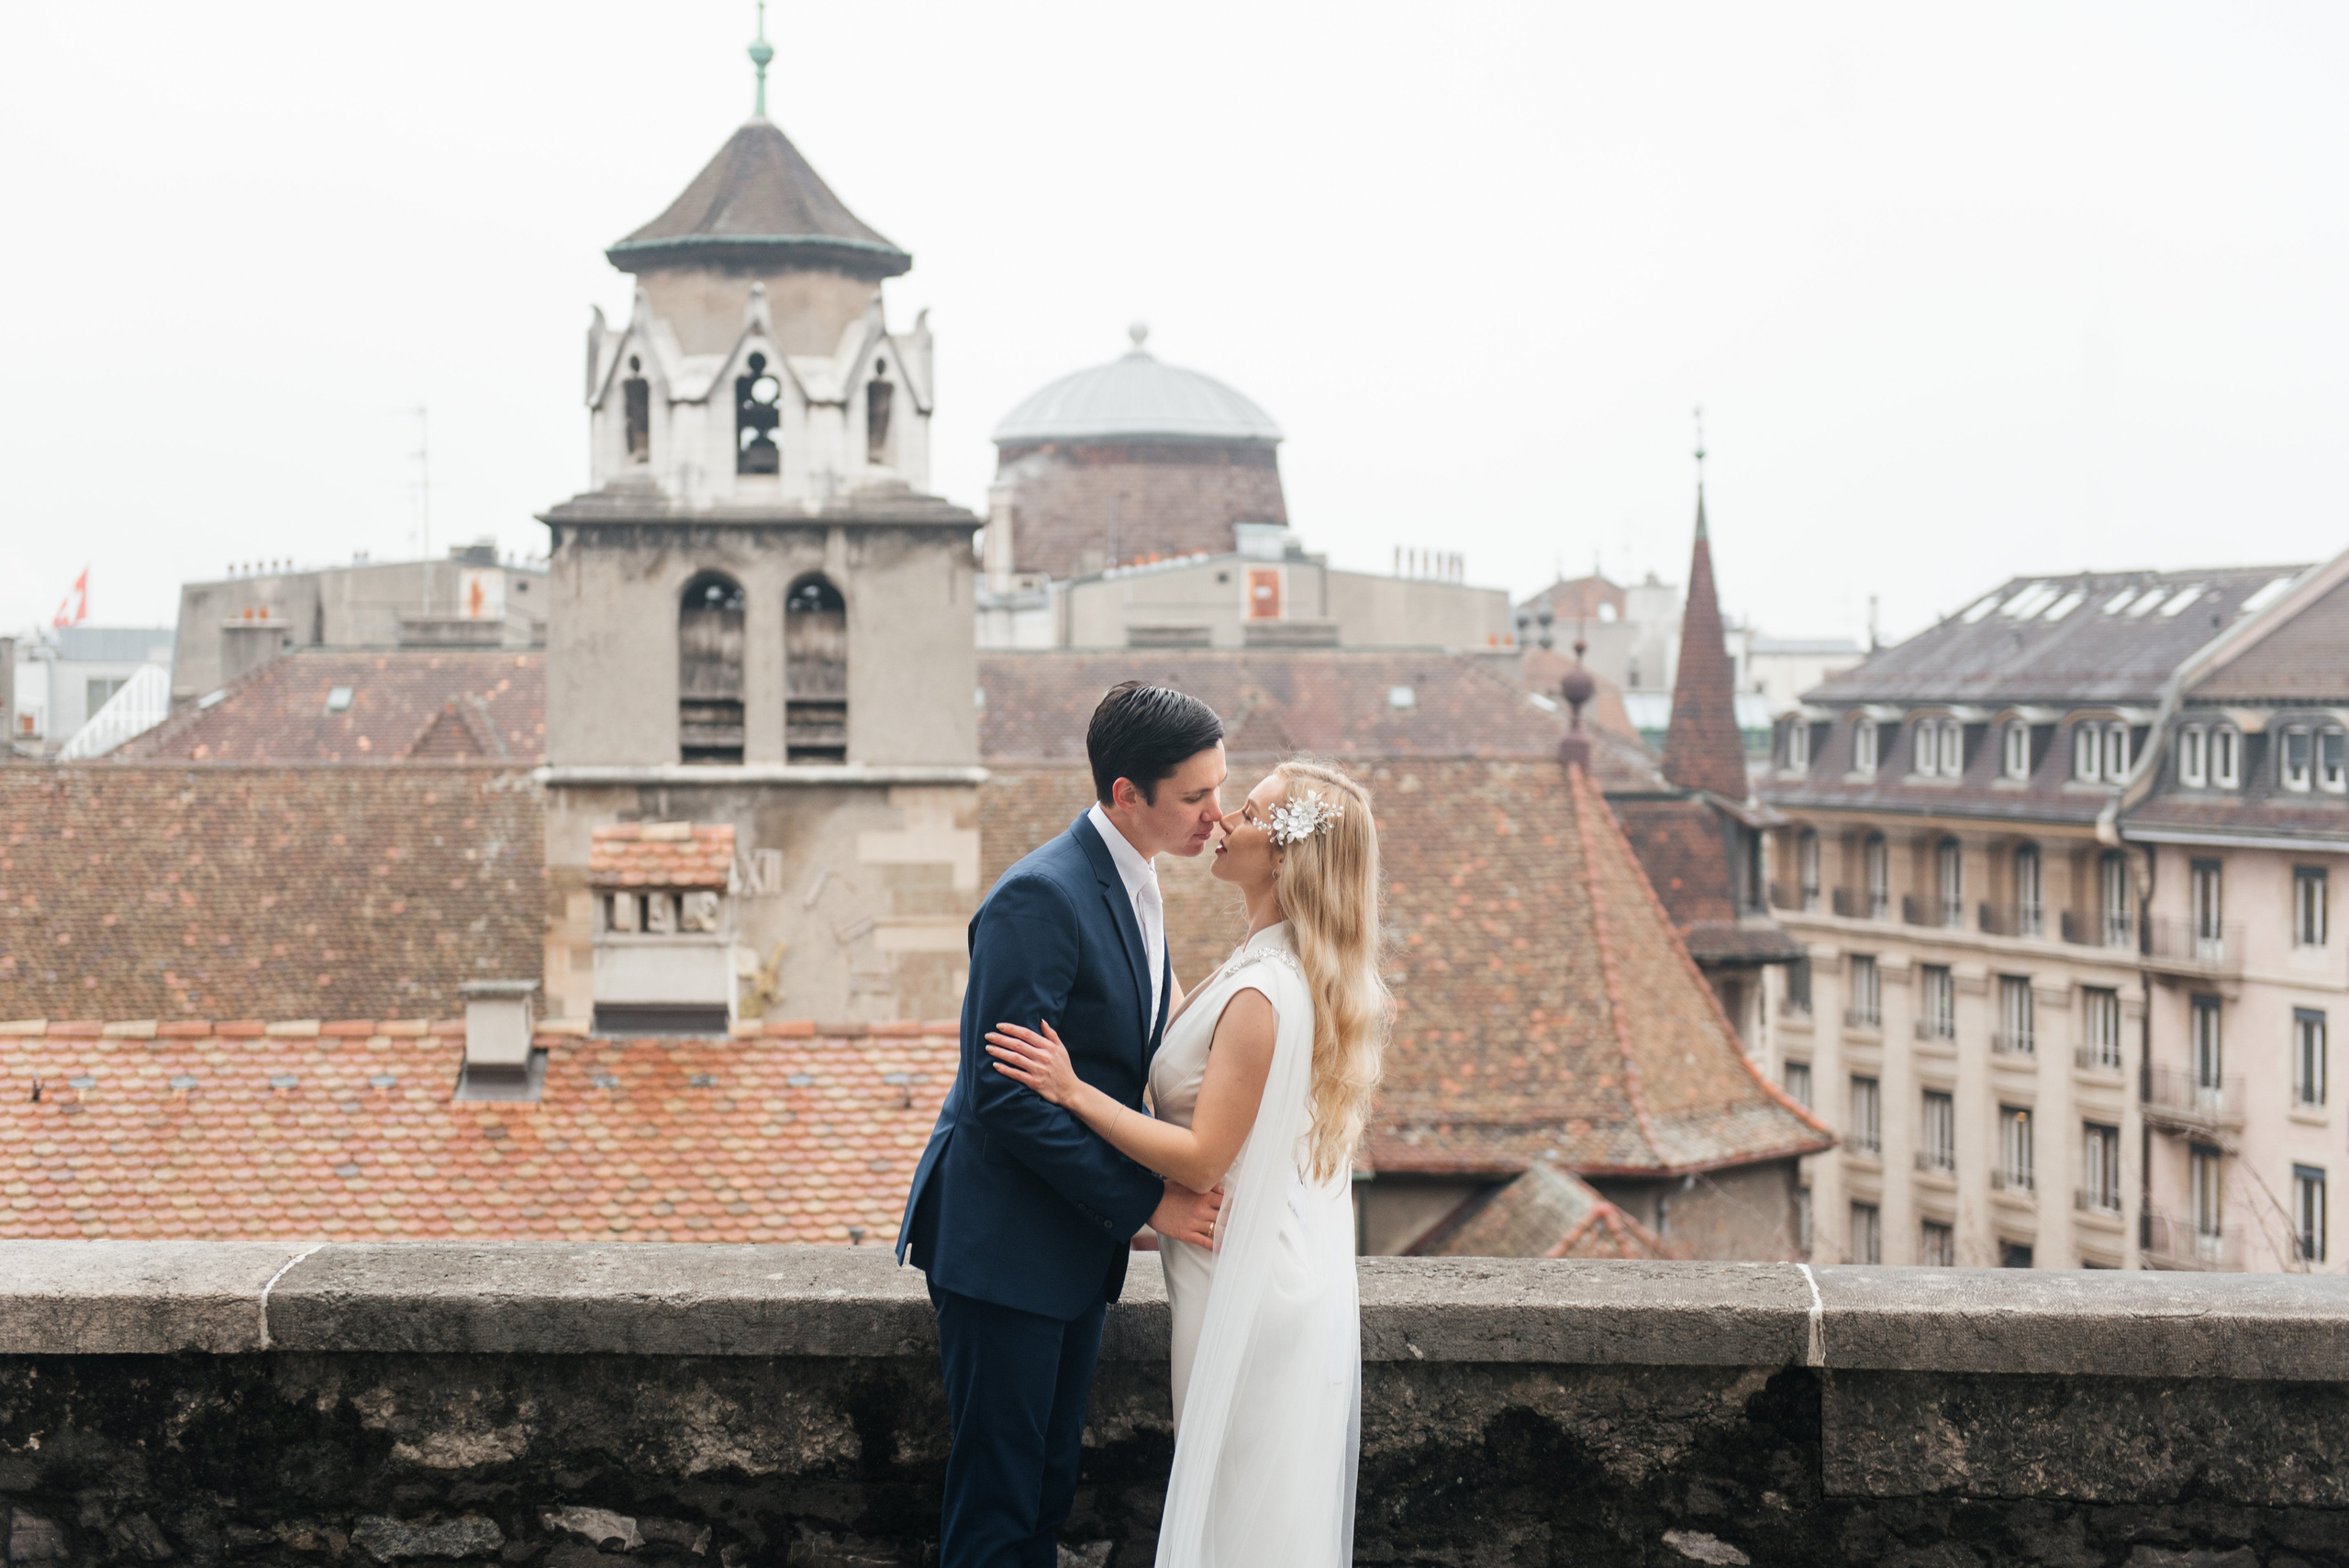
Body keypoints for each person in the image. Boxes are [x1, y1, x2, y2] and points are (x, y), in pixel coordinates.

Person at [986, 760, 1388, 1568]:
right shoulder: (1259, 962)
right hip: (1230, 1263)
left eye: (1248, 812)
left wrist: (1073, 1091)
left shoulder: (1264, 991)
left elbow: (1204, 1157)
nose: (1223, 819)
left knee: (1238, 1511)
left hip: (1241, 1276)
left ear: (1286, 856)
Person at [897, 681, 1230, 1568]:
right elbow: (1003, 1096)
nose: (1217, 815)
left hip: (1072, 1247)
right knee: (999, 1507)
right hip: (1003, 1246)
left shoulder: (1136, 880)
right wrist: (1147, 1202)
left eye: (1219, 788)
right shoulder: (1041, 896)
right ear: (1126, 793)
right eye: (1195, 796)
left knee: (1046, 1491)